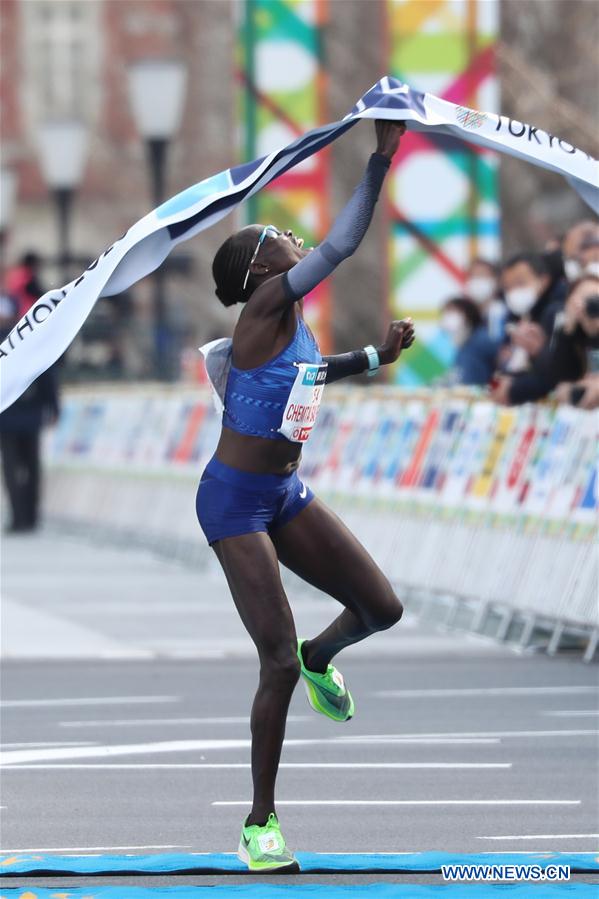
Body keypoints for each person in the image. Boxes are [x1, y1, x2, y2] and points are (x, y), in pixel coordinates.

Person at [197, 121, 413, 873]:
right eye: (280, 235)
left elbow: (309, 379)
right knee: (274, 661)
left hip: (283, 492)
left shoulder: (290, 323)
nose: (295, 238)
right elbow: (343, 244)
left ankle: (326, 654)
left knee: (380, 608)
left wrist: (373, 357)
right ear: (261, 268)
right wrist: (379, 159)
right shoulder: (261, 311)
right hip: (232, 503)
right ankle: (260, 824)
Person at [0, 290, 59, 532]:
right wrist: (53, 405)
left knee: (13, 467)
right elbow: (46, 372)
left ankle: (19, 518)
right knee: (31, 466)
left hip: (7, 414)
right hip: (29, 413)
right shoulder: (29, 336)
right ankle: (31, 517)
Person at [490, 252, 566, 405]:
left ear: (543, 280)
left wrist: (514, 389)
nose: (513, 292)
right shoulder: (519, 317)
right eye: (507, 287)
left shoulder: (557, 312)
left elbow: (562, 372)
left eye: (520, 283)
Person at [439, 296, 500, 386]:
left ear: (467, 313)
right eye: (446, 313)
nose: (448, 317)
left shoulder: (481, 340)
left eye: (453, 311)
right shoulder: (462, 342)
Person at [463, 258, 506, 341]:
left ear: (496, 280)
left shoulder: (500, 312)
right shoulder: (469, 315)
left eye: (481, 275)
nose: (476, 281)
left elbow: (495, 343)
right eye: (472, 276)